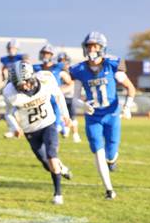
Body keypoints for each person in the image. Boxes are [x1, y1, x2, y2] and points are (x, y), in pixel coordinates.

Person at [69, 32, 136, 199]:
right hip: (93, 118)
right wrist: (83, 105)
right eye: (89, 46)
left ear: (102, 48)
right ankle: (109, 189)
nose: (91, 49)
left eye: (95, 46)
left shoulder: (111, 65)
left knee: (111, 152)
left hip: (112, 115)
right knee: (98, 151)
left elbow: (130, 88)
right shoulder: (80, 70)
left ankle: (112, 161)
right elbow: (75, 98)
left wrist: (127, 107)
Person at [4, 61, 73, 204]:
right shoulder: (10, 92)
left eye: (24, 82)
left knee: (52, 157)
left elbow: (58, 95)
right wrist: (15, 127)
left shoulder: (45, 79)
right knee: (46, 164)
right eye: (18, 85)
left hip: (48, 124)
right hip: (30, 130)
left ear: (31, 77)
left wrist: (65, 115)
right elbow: (8, 114)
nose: (23, 87)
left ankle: (58, 194)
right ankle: (61, 168)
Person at [34, 45, 80, 143]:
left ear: (51, 55)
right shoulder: (36, 68)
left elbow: (70, 82)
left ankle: (63, 129)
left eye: (47, 54)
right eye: (44, 53)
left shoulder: (58, 67)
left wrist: (60, 90)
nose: (45, 56)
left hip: (55, 99)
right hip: (42, 100)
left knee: (57, 123)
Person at [0, 39, 25, 137]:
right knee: (10, 111)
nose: (11, 50)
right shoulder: (5, 59)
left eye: (13, 48)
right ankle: (14, 130)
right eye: (10, 48)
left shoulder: (20, 57)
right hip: (10, 85)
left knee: (14, 111)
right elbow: (3, 67)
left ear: (17, 49)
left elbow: (27, 65)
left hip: (20, 86)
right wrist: (3, 74)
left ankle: (16, 129)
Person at [56, 52, 81, 142]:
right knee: (61, 115)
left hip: (71, 96)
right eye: (61, 61)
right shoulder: (57, 72)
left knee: (73, 116)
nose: (62, 63)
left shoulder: (71, 71)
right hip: (61, 98)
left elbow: (73, 84)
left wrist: (60, 90)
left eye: (64, 61)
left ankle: (75, 134)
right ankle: (65, 130)